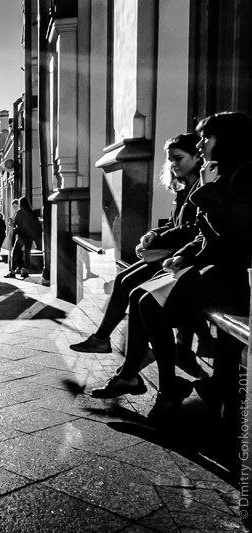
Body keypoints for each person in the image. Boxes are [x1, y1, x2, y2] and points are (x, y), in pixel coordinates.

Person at [89, 112, 252, 421]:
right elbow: (205, 234)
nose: (202, 144)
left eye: (207, 138)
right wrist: (182, 255)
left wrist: (206, 194)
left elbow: (235, 238)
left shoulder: (242, 177)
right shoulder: (222, 174)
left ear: (227, 141)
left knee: (144, 299)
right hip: (208, 270)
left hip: (229, 278)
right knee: (139, 296)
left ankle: (164, 384)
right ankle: (157, 382)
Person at [71, 133, 203, 354]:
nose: (172, 164)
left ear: (197, 157)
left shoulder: (201, 189)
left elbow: (194, 229)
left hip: (183, 260)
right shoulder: (184, 188)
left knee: (134, 291)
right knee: (123, 279)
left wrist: (159, 239)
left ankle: (118, 346)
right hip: (172, 254)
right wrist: (152, 233)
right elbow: (173, 223)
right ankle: (103, 339)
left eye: (178, 158)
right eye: (170, 159)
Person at [5, 196, 41, 279]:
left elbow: (17, 224)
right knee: (27, 253)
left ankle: (13, 271)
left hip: (21, 236)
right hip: (30, 236)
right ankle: (25, 271)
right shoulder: (32, 212)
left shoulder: (20, 212)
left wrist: (14, 227)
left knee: (15, 252)